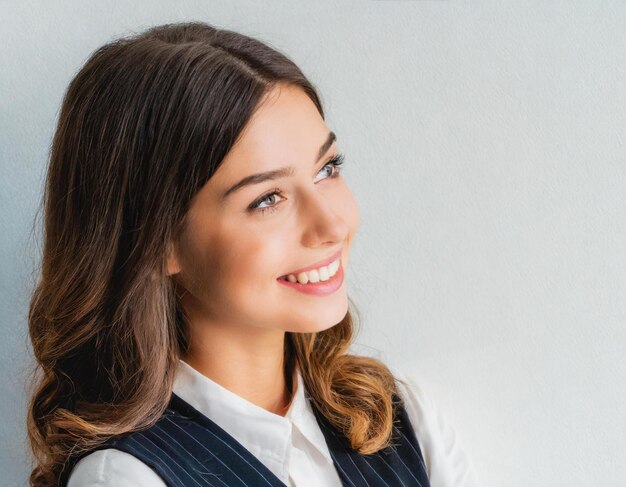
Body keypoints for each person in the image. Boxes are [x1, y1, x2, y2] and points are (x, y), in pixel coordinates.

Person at [26, 21, 479, 487]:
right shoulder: (125, 478)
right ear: (158, 241)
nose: (331, 225)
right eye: (267, 199)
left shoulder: (405, 424)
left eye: (327, 169)